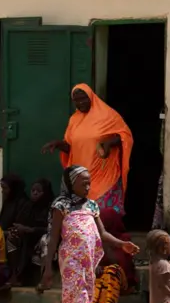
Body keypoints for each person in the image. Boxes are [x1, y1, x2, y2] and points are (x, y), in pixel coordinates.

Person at [40, 165, 139, 303]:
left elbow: (102, 234)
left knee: (84, 301)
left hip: (88, 259)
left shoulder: (92, 206)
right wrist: (48, 268)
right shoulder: (61, 205)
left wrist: (122, 245)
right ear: (70, 183)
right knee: (79, 299)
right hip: (70, 259)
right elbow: (53, 238)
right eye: (83, 182)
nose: (87, 186)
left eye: (89, 182)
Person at [42, 84, 133, 214]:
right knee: (82, 214)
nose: (80, 103)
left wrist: (108, 143)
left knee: (104, 214)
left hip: (104, 173)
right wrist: (58, 144)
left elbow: (125, 136)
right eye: (76, 100)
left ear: (91, 97)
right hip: (82, 174)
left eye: (83, 98)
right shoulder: (74, 120)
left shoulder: (107, 115)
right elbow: (72, 148)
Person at [83, 208, 137, 303]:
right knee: (99, 276)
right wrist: (95, 267)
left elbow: (121, 264)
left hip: (121, 282)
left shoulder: (123, 239)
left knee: (112, 270)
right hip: (103, 282)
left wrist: (107, 245)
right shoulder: (93, 239)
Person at [6, 178, 53, 287]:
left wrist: (30, 230)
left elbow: (51, 229)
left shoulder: (50, 207)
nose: (35, 193)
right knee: (12, 238)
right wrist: (16, 229)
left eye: (38, 191)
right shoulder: (28, 205)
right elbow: (19, 221)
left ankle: (41, 279)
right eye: (33, 190)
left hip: (41, 238)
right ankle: (14, 276)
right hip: (26, 237)